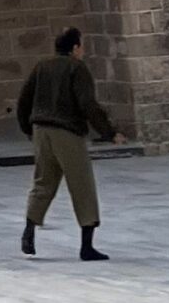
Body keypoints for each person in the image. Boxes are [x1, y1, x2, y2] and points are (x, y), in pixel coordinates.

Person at [16, 25, 119, 259]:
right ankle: (86, 246)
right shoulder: (76, 68)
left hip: (41, 130)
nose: (83, 50)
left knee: (43, 182)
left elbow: (24, 100)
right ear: (75, 47)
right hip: (67, 132)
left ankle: (29, 230)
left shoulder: (41, 67)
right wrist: (109, 132)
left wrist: (28, 128)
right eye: (81, 45)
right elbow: (87, 104)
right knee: (82, 185)